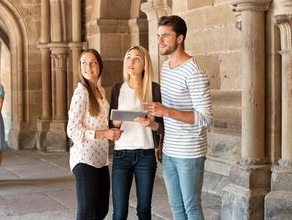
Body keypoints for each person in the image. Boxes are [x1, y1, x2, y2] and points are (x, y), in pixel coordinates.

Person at [147, 15, 212, 220]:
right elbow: (168, 115)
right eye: (158, 36)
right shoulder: (166, 68)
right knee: (176, 208)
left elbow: (205, 117)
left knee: (191, 207)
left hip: (189, 152)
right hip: (169, 150)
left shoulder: (194, 72)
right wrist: (162, 141)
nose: (160, 41)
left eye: (165, 36)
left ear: (180, 38)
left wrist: (166, 111)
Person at [67, 49, 123, 220]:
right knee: (86, 212)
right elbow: (72, 130)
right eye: (84, 63)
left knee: (101, 210)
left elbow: (101, 122)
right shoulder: (81, 92)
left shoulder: (101, 91)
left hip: (101, 159)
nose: (88, 67)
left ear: (100, 66)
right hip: (84, 158)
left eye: (92, 62)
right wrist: (104, 133)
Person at [110, 45, 164, 220]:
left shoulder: (155, 89)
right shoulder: (117, 89)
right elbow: (111, 125)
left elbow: (163, 128)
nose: (131, 62)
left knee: (144, 210)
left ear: (145, 65)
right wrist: (116, 122)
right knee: (119, 212)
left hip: (146, 155)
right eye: (128, 57)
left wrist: (150, 123)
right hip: (121, 155)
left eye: (136, 59)